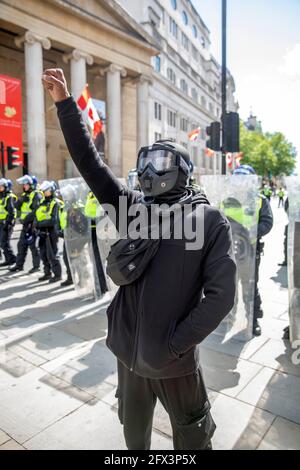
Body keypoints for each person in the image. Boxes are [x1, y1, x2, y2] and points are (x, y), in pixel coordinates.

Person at [42, 68, 237, 451]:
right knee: (133, 439)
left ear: (182, 172)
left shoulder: (209, 220)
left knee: (193, 441)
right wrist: (65, 105)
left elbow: (221, 298)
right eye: (145, 162)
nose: (149, 171)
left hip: (174, 364)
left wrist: (172, 346)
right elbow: (92, 166)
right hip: (127, 359)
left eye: (160, 163)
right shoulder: (134, 209)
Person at [233, 165, 274, 336]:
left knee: (250, 286)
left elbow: (267, 222)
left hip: (249, 250)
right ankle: (229, 314)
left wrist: (250, 230)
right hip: (229, 249)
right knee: (228, 285)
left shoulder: (260, 200)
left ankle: (253, 318)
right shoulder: (226, 198)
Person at [10, 175, 42, 273]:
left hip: (32, 225)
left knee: (33, 246)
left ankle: (36, 266)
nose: (24, 186)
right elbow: (17, 206)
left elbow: (37, 210)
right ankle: (19, 265)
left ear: (31, 185)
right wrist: (20, 200)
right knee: (21, 245)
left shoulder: (36, 195)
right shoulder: (25, 195)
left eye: (26, 184)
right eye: (24, 185)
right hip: (25, 224)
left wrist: (27, 219)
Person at [34, 180, 62, 283]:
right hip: (41, 232)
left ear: (52, 190)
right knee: (43, 254)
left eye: (46, 190)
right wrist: (36, 223)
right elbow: (37, 215)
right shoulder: (42, 202)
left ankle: (57, 275)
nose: (44, 192)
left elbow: (53, 220)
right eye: (44, 190)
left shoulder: (56, 203)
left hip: (51, 232)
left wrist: (39, 223)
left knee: (52, 254)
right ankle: (47, 273)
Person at [84, 190, 108, 296]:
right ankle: (100, 285)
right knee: (95, 260)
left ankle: (102, 286)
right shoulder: (90, 195)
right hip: (91, 232)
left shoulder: (101, 193)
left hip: (101, 231)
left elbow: (105, 212)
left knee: (99, 260)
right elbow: (87, 212)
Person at [0, 178, 17, 267]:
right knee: (2, 242)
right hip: (1, 222)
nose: (0, 188)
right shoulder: (1, 196)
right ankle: (8, 259)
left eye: (1, 186)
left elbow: (11, 211)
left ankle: (12, 259)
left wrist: (8, 223)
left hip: (6, 223)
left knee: (4, 242)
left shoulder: (9, 197)